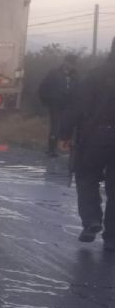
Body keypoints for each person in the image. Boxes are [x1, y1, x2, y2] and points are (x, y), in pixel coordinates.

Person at [60, 38, 115, 248]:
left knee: (86, 178)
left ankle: (92, 220)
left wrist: (64, 134)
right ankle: (112, 238)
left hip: (95, 138)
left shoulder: (94, 76)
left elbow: (76, 107)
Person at [40, 54, 80, 157]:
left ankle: (65, 148)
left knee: (67, 127)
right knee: (56, 127)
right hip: (55, 104)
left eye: (73, 64)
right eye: (70, 63)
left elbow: (78, 88)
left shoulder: (75, 75)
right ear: (65, 62)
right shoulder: (54, 73)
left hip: (69, 105)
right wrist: (47, 100)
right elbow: (44, 87)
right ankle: (51, 149)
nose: (71, 66)